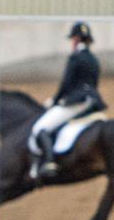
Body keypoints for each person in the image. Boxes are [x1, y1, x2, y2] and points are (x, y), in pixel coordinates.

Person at [29, 20, 107, 180]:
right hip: (93, 101)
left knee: (40, 128)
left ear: (77, 39)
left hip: (76, 101)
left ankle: (49, 162)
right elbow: (93, 84)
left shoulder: (75, 58)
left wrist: (55, 101)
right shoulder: (94, 59)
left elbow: (66, 84)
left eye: (73, 39)